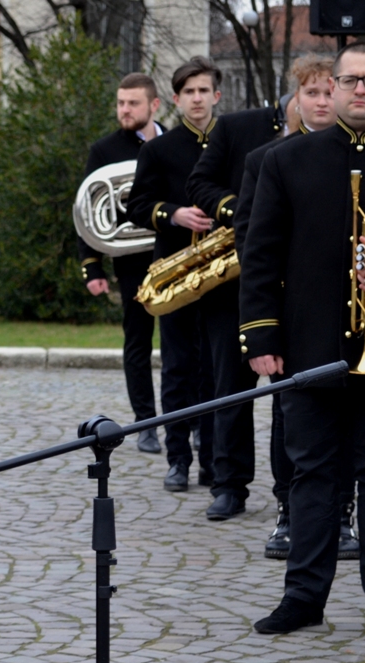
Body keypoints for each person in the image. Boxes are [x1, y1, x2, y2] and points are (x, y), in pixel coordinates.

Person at [241, 42, 365, 640]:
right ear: (332, 87)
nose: (359, 91)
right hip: (308, 346)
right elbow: (261, 255)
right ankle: (303, 598)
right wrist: (261, 335)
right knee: (311, 475)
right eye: (349, 81)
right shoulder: (286, 160)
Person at [233, 55, 358, 560]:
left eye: (331, 92)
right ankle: (289, 511)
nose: (323, 102)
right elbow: (251, 241)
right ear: (296, 101)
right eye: (313, 93)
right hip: (292, 314)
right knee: (290, 417)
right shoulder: (266, 160)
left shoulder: (361, 153)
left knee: (349, 418)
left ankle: (343, 514)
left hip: (348, 313)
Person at [180, 87, 294, 521]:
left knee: (291, 397)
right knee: (230, 388)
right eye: (310, 93)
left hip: (295, 287)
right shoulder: (235, 126)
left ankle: (290, 489)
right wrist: (238, 208)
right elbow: (199, 182)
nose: (317, 102)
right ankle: (229, 486)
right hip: (234, 285)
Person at [127, 56, 220, 493]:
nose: (197, 98)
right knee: (179, 367)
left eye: (204, 90)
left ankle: (215, 460)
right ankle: (178, 457)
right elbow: (137, 205)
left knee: (218, 371)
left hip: (224, 276)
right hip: (177, 273)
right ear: (177, 99)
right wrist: (174, 214)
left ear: (216, 95)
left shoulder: (232, 141)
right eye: (189, 92)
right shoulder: (158, 149)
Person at [79, 73, 165, 454]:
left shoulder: (179, 143)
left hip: (184, 256)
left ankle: (193, 421)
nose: (124, 110)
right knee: (137, 344)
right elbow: (87, 211)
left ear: (154, 105)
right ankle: (146, 423)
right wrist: (92, 268)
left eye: (132, 103)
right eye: (120, 103)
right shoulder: (104, 150)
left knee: (193, 347)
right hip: (133, 264)